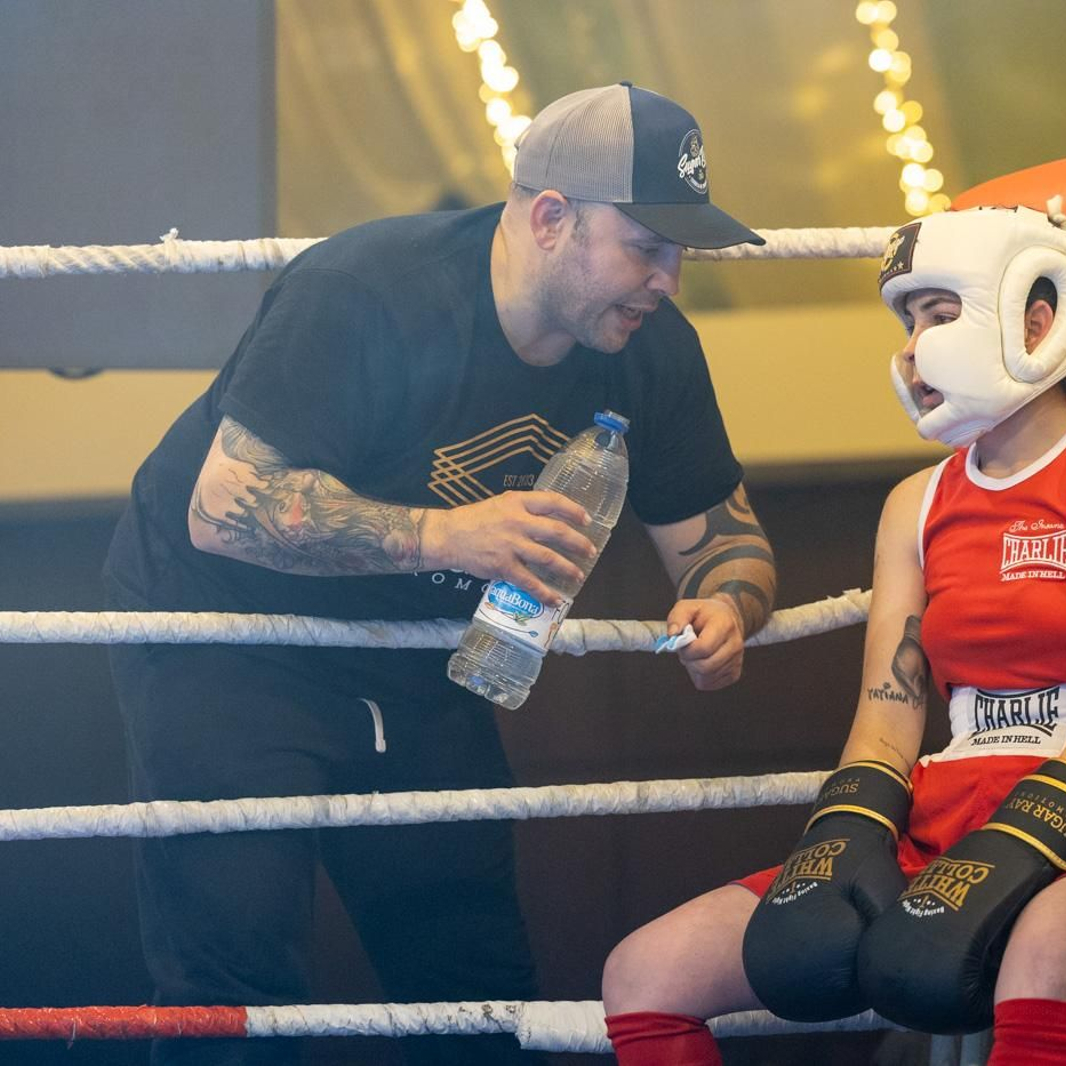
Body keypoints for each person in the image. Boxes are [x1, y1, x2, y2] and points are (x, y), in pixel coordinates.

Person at [102, 82, 777, 1065]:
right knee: (234, 965)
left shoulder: (648, 348)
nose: (668, 279)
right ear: (552, 219)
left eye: (681, 252)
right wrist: (442, 537)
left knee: (472, 976)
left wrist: (726, 603)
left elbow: (727, 537)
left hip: (419, 655)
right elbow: (224, 507)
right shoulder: (368, 287)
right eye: (646, 245)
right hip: (226, 626)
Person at [600, 205, 1066, 1066]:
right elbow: (888, 714)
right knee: (644, 972)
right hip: (945, 803)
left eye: (939, 316)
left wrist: (1025, 835)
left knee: (1041, 963)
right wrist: (845, 833)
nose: (913, 349)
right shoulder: (916, 505)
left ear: (1034, 321)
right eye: (907, 322)